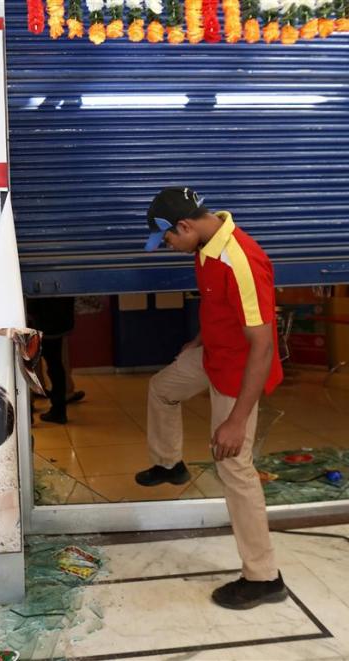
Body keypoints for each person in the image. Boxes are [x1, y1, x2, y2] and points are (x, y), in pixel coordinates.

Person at [139, 186, 287, 610]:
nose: (168, 247)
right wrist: (200, 340)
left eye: (167, 239)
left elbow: (262, 345)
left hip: (239, 371)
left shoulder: (239, 259)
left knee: (234, 464)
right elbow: (225, 308)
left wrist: (236, 420)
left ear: (184, 225)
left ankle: (263, 578)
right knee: (162, 388)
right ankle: (170, 464)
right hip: (214, 353)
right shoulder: (206, 246)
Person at [27, 296, 83, 424]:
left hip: (40, 322)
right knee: (56, 366)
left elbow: (32, 304)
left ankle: (28, 413)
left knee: (30, 368)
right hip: (58, 323)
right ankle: (59, 410)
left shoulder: (37, 276)